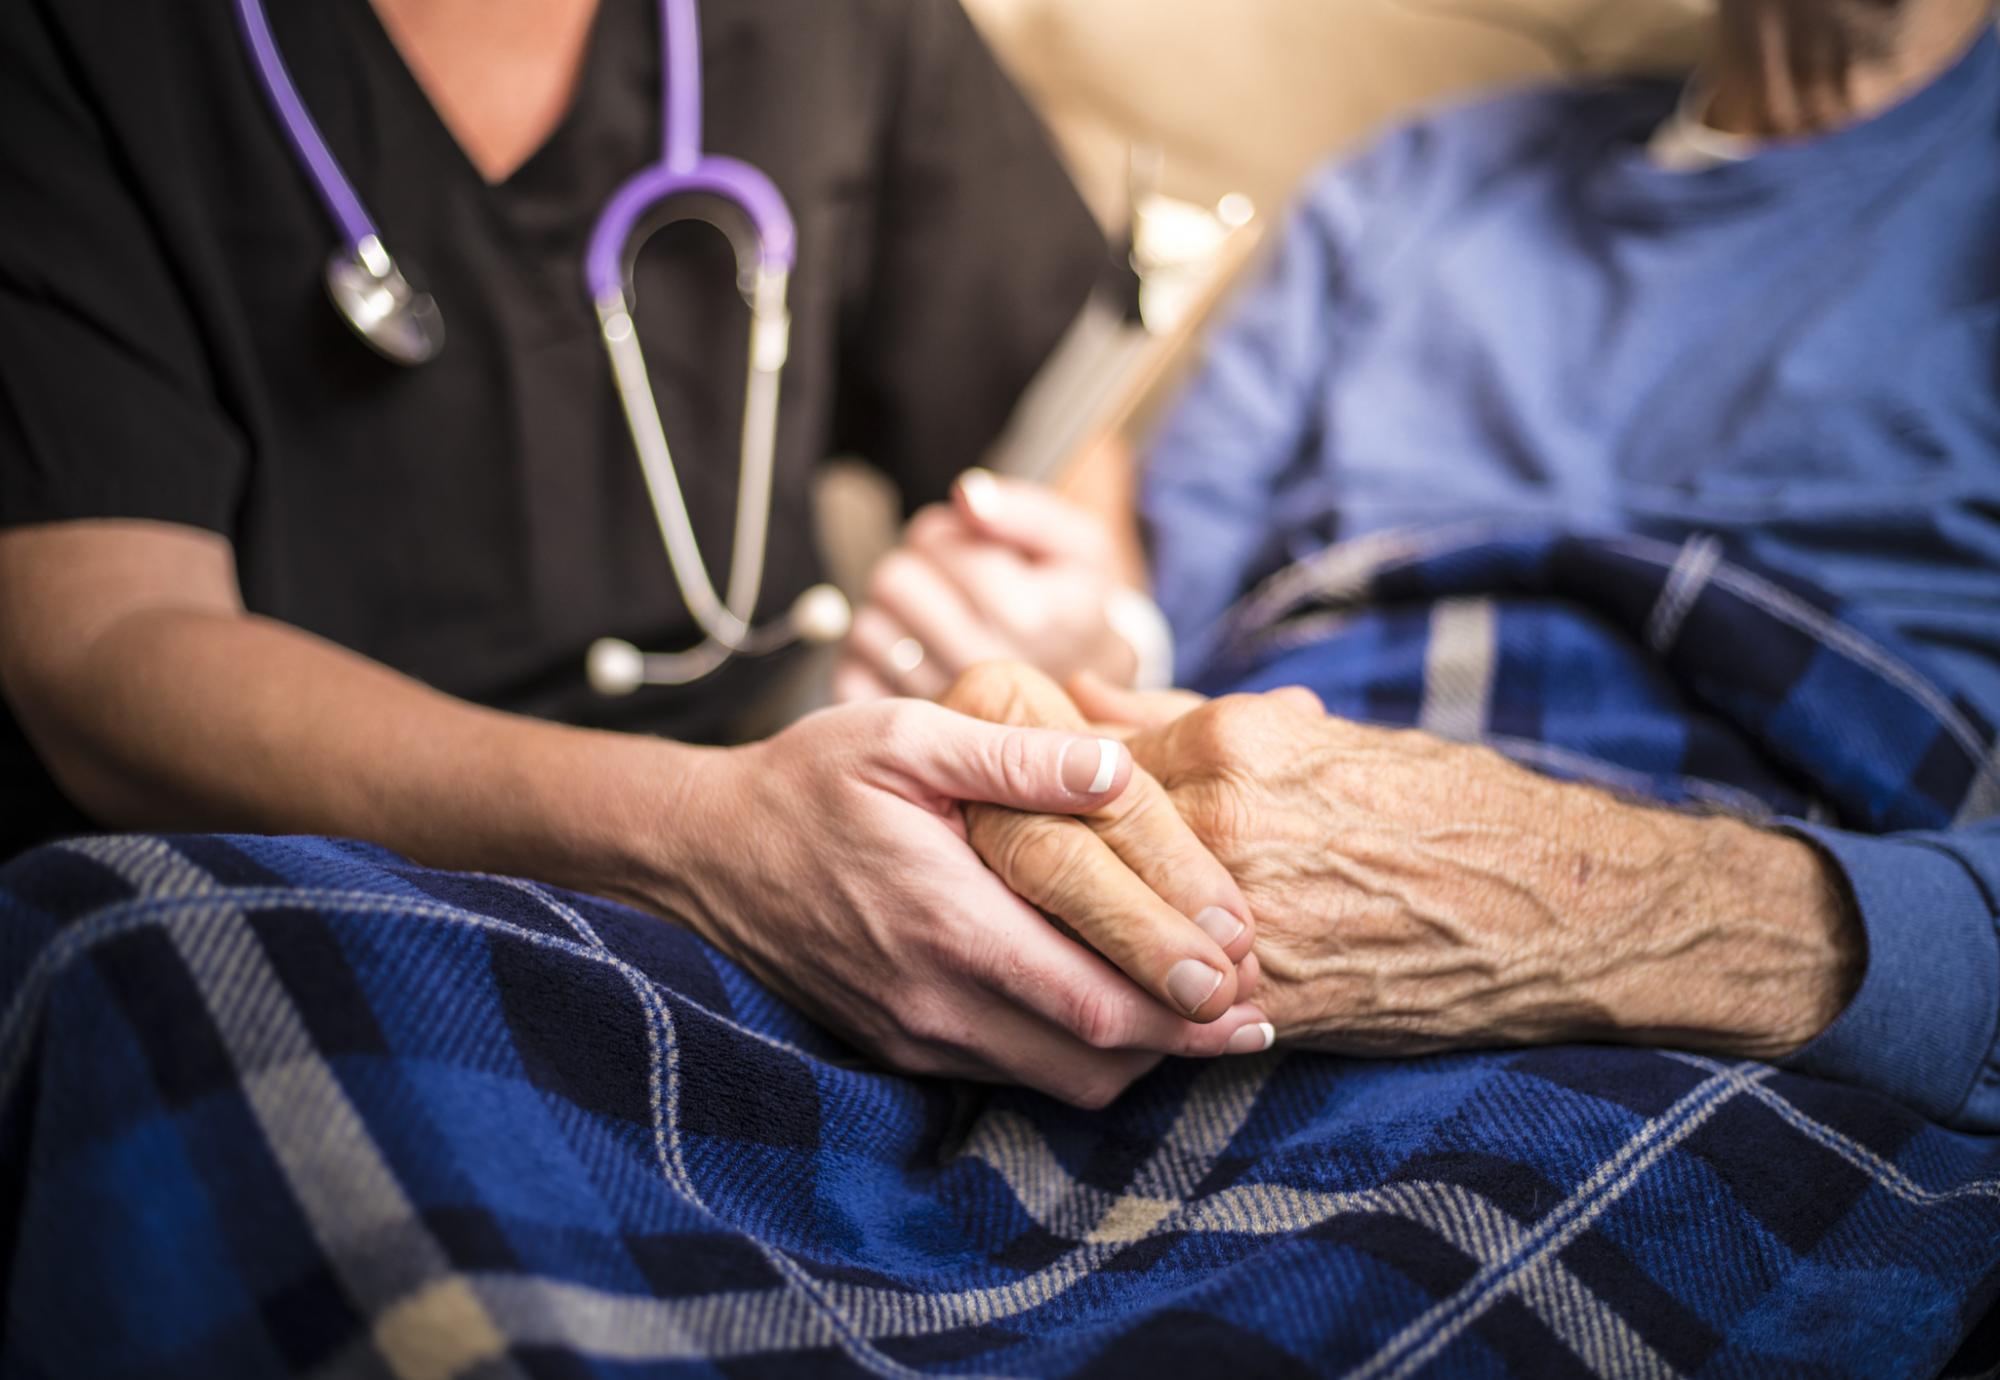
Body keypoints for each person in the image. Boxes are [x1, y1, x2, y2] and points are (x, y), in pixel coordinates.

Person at [0, 0, 1280, 1107]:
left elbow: (1053, 437)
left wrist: (1082, 622)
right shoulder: (77, 45)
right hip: (282, 886)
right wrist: (701, 841)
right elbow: (102, 648)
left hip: (802, 867)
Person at [845, 0, 2000, 1132]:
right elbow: (1166, 614)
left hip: (1764, 926)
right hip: (1252, 840)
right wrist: (1078, 644)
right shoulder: (1409, 183)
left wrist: (1607, 912)